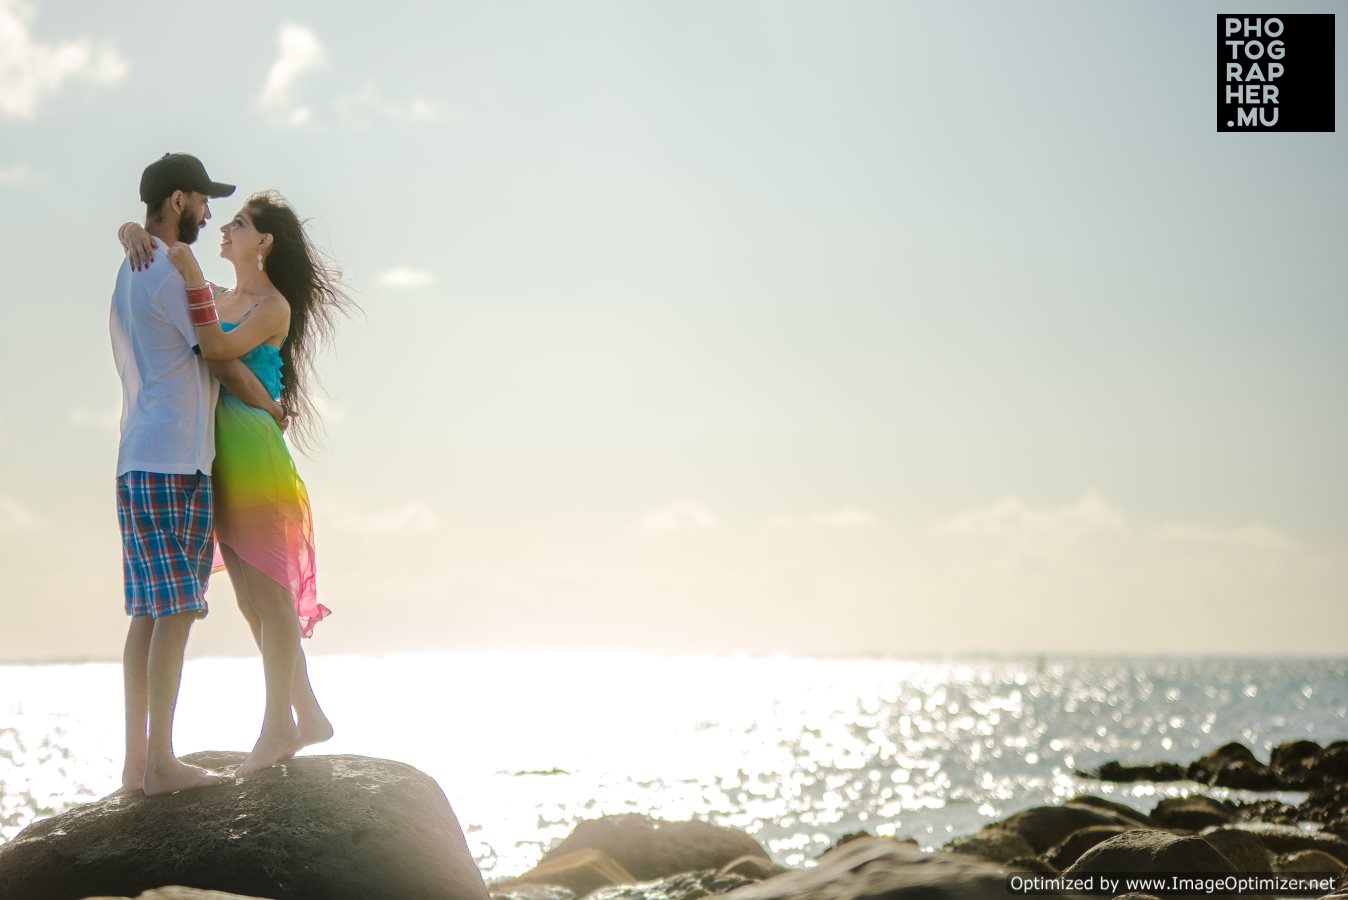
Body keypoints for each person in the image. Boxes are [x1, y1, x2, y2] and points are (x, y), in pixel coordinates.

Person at [119, 189, 350, 776]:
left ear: (264, 242)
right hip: (217, 453)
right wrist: (131, 231)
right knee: (250, 598)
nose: (224, 227)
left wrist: (189, 274)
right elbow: (204, 342)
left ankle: (279, 727)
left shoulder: (271, 306)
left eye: (240, 224)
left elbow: (218, 353)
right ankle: (307, 714)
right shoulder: (220, 296)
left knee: (269, 595)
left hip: (250, 450)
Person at [113, 153, 286, 795]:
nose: (210, 213)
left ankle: (137, 763)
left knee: (147, 614)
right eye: (204, 200)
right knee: (179, 609)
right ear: (178, 200)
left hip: (136, 457)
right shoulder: (166, 271)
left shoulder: (132, 266)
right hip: (176, 460)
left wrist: (129, 231)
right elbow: (217, 356)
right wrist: (272, 407)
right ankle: (161, 764)